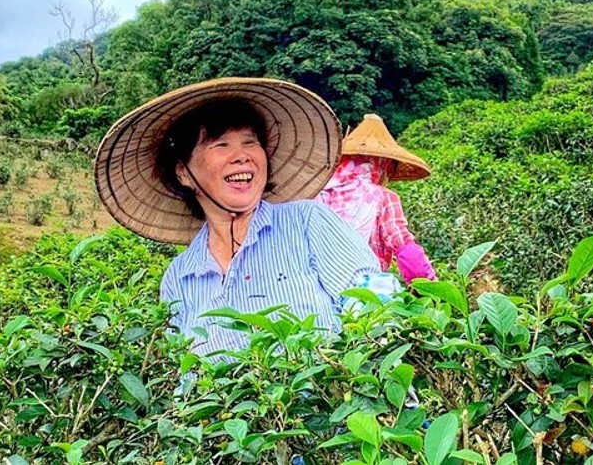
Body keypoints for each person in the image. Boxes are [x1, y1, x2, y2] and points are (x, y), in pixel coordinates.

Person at [94, 77, 384, 357]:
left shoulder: (308, 222)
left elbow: (377, 309)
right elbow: (185, 374)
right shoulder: (179, 278)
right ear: (183, 172)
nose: (241, 156)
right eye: (220, 145)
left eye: (250, 142)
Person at [317, 114, 437, 284]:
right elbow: (404, 247)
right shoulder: (381, 197)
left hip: (315, 287)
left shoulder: (318, 192)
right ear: (383, 166)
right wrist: (429, 287)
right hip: (362, 290)